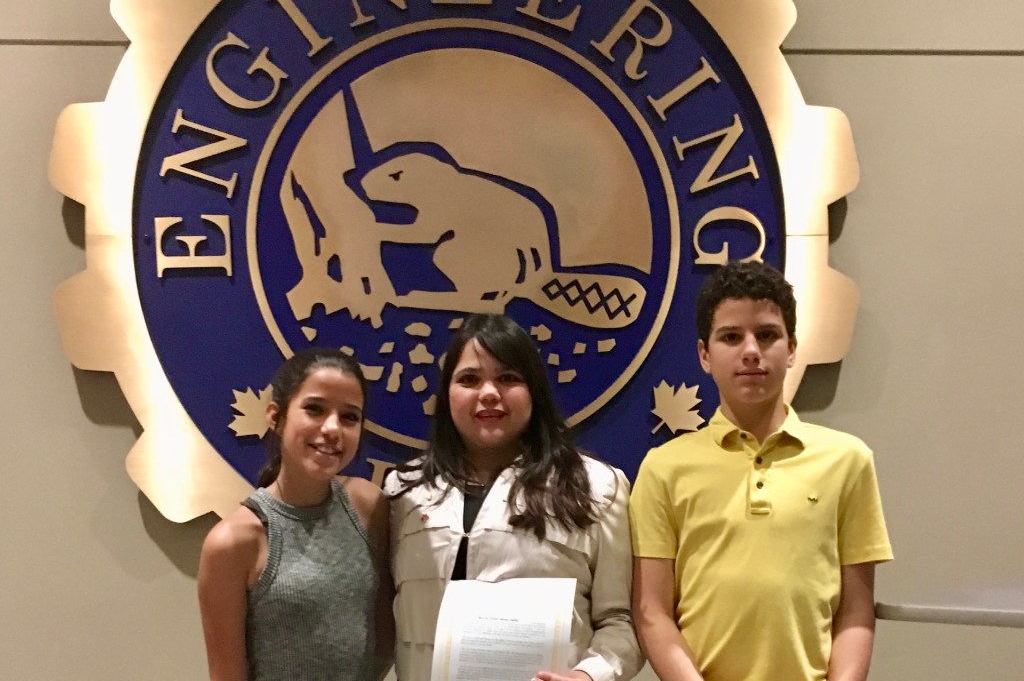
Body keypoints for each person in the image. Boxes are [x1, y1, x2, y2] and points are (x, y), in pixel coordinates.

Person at [630, 261, 893, 681]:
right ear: (704, 355)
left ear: (792, 349)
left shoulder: (848, 460)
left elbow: (856, 613)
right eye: (731, 337)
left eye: (767, 335)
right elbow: (652, 611)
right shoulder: (664, 468)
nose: (751, 350)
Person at [385, 313, 642, 681]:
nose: (489, 393)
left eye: (508, 378)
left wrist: (589, 675)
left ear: (533, 390)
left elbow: (620, 620)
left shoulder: (597, 487)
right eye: (469, 379)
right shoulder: (403, 490)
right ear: (447, 394)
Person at [197, 349, 394, 681]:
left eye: (349, 417)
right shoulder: (233, 543)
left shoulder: (368, 505)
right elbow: (226, 673)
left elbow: (385, 638)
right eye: (315, 409)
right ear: (276, 416)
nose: (332, 428)